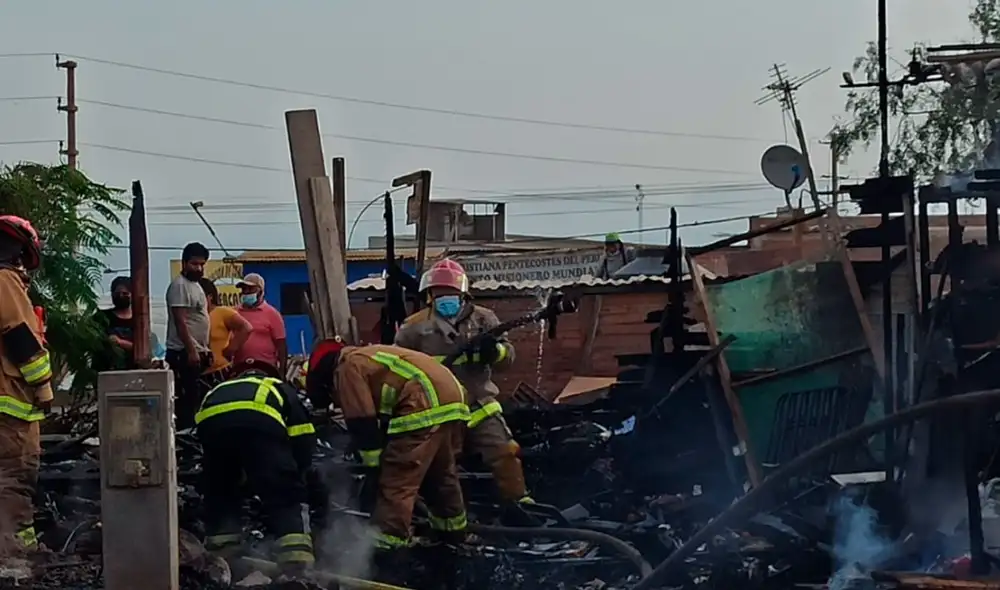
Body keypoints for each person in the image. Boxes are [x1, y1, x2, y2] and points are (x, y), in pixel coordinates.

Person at [394, 259, 536, 524]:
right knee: (442, 467)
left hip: (478, 403)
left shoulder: (484, 319)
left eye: (450, 293)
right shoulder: (413, 328)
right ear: (429, 296)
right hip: (438, 410)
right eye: (439, 293)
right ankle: (445, 518)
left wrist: (495, 352)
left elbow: (508, 358)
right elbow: (401, 368)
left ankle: (519, 503)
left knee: (505, 451)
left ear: (463, 294)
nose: (445, 298)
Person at [305, 340, 470, 551]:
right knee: (440, 474)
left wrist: (373, 466)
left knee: (397, 480)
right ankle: (452, 536)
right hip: (453, 397)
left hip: (421, 401)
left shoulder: (346, 367)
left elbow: (361, 419)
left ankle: (387, 546)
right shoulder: (370, 355)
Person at [194, 359, 317, 573]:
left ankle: (223, 551)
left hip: (211, 425)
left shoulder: (219, 388)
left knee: (222, 487)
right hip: (259, 424)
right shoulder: (275, 386)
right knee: (281, 489)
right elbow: (302, 433)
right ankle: (295, 558)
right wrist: (299, 471)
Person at [0, 215, 53, 553]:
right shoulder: (5, 280)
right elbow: (19, 336)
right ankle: (16, 554)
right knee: (13, 480)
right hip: (12, 407)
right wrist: (43, 386)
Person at [166, 242, 213, 429]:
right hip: (182, 353)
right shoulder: (179, 286)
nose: (199, 268)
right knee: (186, 403)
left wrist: (204, 350)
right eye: (194, 264)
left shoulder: (196, 286)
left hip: (196, 352)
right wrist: (192, 351)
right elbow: (180, 322)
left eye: (202, 264)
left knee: (197, 400)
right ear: (184, 263)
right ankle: (184, 441)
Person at [198, 278, 252, 390]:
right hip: (199, 373)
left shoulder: (222, 312)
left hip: (219, 371)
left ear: (209, 297)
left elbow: (246, 328)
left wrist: (231, 349)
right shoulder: (195, 317)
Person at [234, 273, 287, 377]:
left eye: (250, 289)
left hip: (266, 369)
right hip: (239, 368)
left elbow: (281, 345)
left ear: (261, 291)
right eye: (244, 289)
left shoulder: (272, 314)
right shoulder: (234, 313)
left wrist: (282, 372)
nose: (246, 292)